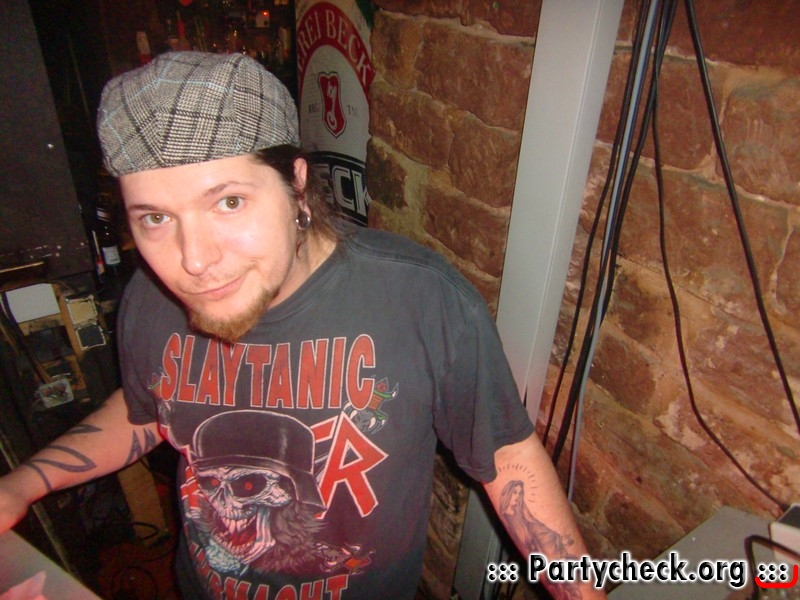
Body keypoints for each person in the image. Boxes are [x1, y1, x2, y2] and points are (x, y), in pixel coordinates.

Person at [0, 52, 604, 599]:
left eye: (228, 202)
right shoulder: (151, 298)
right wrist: (22, 485)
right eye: (155, 218)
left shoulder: (418, 299)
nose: (193, 260)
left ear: (296, 182)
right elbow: (145, 412)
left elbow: (506, 457)